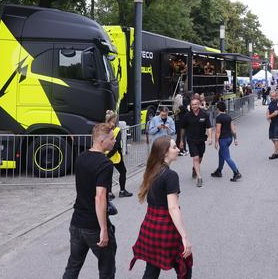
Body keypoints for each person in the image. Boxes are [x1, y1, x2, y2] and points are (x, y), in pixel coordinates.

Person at [130, 136, 193, 278]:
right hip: (166, 228)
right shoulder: (170, 175)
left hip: (150, 226)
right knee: (185, 267)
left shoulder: (151, 171)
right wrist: (184, 237)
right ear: (165, 152)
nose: (178, 149)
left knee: (152, 269)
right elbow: (173, 208)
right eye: (174, 147)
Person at [63, 124, 117, 279]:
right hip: (93, 225)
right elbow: (99, 197)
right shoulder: (105, 164)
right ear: (102, 140)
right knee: (107, 268)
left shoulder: (81, 157)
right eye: (112, 138)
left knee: (73, 266)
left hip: (76, 222)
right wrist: (104, 229)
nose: (114, 141)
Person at [179, 98, 212, 187]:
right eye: (192, 105)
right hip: (191, 140)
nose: (194, 106)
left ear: (199, 104)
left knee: (200, 158)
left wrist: (210, 137)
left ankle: (194, 168)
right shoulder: (187, 116)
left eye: (195, 104)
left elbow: (209, 127)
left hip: (201, 140)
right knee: (196, 158)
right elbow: (182, 128)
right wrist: (182, 141)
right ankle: (199, 178)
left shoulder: (204, 114)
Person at [105, 110, 133, 199]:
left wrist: (105, 156)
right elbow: (117, 145)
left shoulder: (103, 129)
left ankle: (109, 193)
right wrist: (110, 155)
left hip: (105, 155)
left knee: (108, 175)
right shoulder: (117, 130)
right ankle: (122, 191)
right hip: (116, 156)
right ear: (113, 120)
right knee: (123, 171)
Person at [211, 101, 242, 181]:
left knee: (227, 157)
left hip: (223, 139)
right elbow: (233, 129)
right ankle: (219, 171)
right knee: (221, 154)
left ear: (218, 109)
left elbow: (218, 131)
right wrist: (235, 139)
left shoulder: (219, 118)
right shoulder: (228, 116)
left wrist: (216, 142)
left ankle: (236, 172)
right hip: (229, 139)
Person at [267, 91, 278, 159]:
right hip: (273, 122)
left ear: (276, 95)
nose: (273, 98)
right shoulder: (271, 102)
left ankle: (275, 153)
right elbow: (268, 109)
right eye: (271, 97)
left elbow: (276, 112)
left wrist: (269, 116)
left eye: (274, 96)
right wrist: (268, 117)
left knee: (277, 138)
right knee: (272, 137)